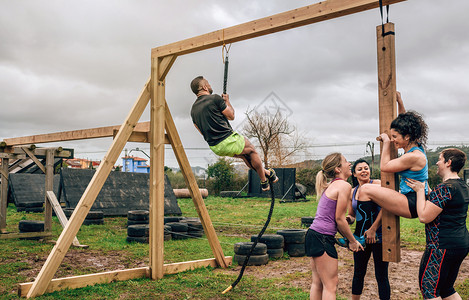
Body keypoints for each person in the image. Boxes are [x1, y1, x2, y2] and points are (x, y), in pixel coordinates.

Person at [190, 76, 277, 191]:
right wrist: (227, 102)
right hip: (227, 140)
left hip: (215, 147)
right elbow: (231, 116)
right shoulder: (214, 99)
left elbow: (200, 131)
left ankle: (267, 172)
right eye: (208, 83)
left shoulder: (193, 110)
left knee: (246, 156)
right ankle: (264, 182)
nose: (210, 86)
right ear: (205, 87)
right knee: (251, 150)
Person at [406, 148, 469, 300]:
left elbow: (424, 217)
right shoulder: (462, 187)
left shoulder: (445, 188)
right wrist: (430, 192)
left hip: (441, 247)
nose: (437, 162)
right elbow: (443, 204)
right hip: (460, 244)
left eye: (440, 159)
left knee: (429, 290)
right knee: (447, 289)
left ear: (449, 163)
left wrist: (420, 191)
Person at [359, 91, 429, 218]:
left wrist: (386, 142)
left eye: (395, 136)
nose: (393, 140)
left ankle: (361, 233)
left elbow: (385, 166)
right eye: (391, 137)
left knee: (365, 189)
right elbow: (406, 124)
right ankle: (367, 229)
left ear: (407, 137)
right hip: (411, 198)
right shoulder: (414, 144)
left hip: (413, 203)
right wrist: (399, 102)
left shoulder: (413, 156)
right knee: (372, 186)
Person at [305, 152, 364, 300]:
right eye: (346, 161)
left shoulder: (332, 185)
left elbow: (335, 217)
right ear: (338, 169)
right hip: (322, 238)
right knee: (331, 285)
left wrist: (347, 220)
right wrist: (352, 240)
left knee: (318, 283)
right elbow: (338, 219)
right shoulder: (344, 185)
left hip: (313, 235)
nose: (350, 164)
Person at [346, 159, 390, 300]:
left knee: (381, 275)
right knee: (358, 272)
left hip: (379, 236)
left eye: (366, 168)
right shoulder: (352, 192)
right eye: (360, 169)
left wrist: (373, 228)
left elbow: (388, 205)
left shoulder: (377, 184)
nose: (364, 171)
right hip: (360, 239)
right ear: (354, 174)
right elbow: (352, 215)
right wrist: (346, 220)